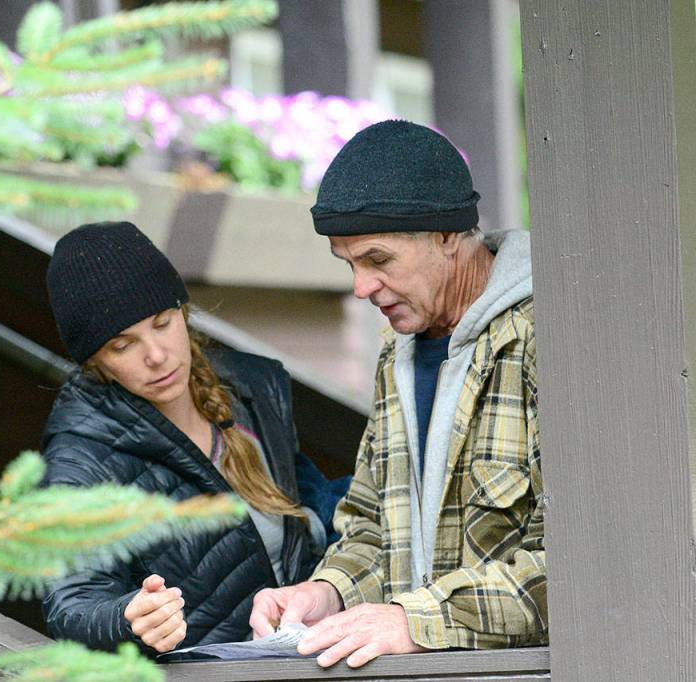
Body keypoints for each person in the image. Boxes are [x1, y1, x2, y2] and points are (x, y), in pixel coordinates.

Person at [250, 120, 546, 668]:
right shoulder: (398, 352)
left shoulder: (547, 339)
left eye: (378, 259)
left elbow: (577, 565)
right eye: (349, 265)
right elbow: (371, 525)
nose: (361, 288)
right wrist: (326, 594)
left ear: (448, 236)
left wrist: (415, 620)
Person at [40, 221, 338, 654]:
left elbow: (316, 506)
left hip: (308, 656)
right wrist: (127, 619)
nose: (156, 356)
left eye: (162, 323)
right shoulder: (81, 457)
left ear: (183, 312)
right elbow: (71, 602)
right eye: (122, 346)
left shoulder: (250, 392)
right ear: (96, 364)